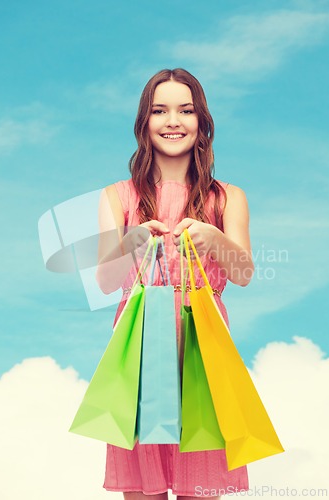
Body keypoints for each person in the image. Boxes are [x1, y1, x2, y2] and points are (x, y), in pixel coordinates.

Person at [96, 68, 254, 500]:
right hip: (141, 344)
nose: (173, 121)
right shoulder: (116, 196)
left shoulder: (228, 197)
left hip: (202, 344)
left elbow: (243, 274)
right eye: (159, 110)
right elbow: (107, 282)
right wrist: (131, 241)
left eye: (185, 110)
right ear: (144, 123)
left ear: (202, 122)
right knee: (143, 485)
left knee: (200, 481)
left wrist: (215, 237)